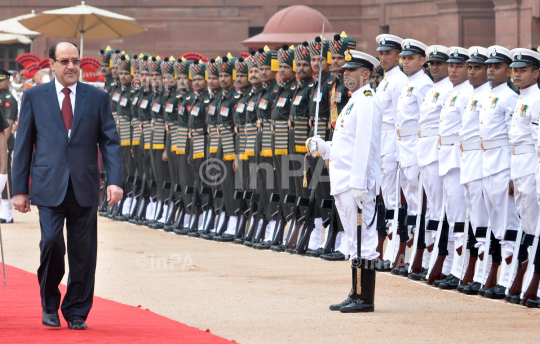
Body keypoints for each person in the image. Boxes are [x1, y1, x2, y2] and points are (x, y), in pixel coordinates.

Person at [12, 41, 123, 330]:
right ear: (52, 64)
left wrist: (114, 181)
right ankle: (49, 303)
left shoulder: (97, 97)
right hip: (48, 185)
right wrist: (19, 189)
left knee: (83, 252)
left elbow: (109, 142)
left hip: (85, 185)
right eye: (64, 61)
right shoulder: (34, 97)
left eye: (75, 61)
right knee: (50, 243)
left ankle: (76, 310)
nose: (71, 66)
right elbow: (23, 144)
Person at [308, 49, 381, 312]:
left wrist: (360, 183)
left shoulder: (367, 101)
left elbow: (365, 146)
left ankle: (365, 298)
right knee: (353, 240)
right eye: (344, 71)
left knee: (364, 240)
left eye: (351, 70)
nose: (346, 74)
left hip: (356, 184)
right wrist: (323, 147)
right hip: (344, 181)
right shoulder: (353, 102)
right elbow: (346, 145)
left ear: (366, 74)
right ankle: (356, 291)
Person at [478, 46, 520, 298]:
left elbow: (514, 138)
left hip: (504, 162)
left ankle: (510, 278)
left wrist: (514, 174)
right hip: (488, 162)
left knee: (509, 223)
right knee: (496, 224)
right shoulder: (489, 95)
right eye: (490, 66)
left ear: (508, 72)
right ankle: (502, 277)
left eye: (497, 66)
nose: (492, 69)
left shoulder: (510, 97)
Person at [409, 45, 452, 281]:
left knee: (440, 209)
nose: (434, 67)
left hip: (437, 154)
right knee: (432, 208)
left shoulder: (447, 90)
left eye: (439, 63)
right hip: (424, 152)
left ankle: (442, 260)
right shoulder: (434, 88)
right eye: (432, 64)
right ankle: (433, 257)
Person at [506, 48, 540, 306]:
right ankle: (527, 277)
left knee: (534, 225)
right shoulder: (521, 98)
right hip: (518, 162)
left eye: (523, 70)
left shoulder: (536, 99)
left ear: (536, 74)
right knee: (527, 223)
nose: (517, 74)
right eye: (515, 70)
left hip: (531, 163)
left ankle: (534, 283)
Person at [458, 47, 491, 295]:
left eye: (477, 68)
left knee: (482, 222)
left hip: (481, 161)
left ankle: (483, 272)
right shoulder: (471, 94)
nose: (472, 72)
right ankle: (474, 272)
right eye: (470, 67)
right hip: (467, 160)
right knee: (473, 218)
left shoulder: (489, 95)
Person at [374, 34, 408, 271]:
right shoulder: (386, 80)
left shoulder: (399, 81)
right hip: (382, 141)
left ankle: (398, 252)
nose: (384, 57)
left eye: (388, 53)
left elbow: (399, 120)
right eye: (382, 53)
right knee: (386, 199)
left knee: (394, 200)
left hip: (393, 143)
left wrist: (397, 152)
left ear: (398, 56)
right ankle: (389, 250)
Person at [0, 68, 17, 223]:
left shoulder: (8, 98)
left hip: (5, 142)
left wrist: (2, 145)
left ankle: (7, 211)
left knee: (5, 174)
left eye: (2, 80)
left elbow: (8, 124)